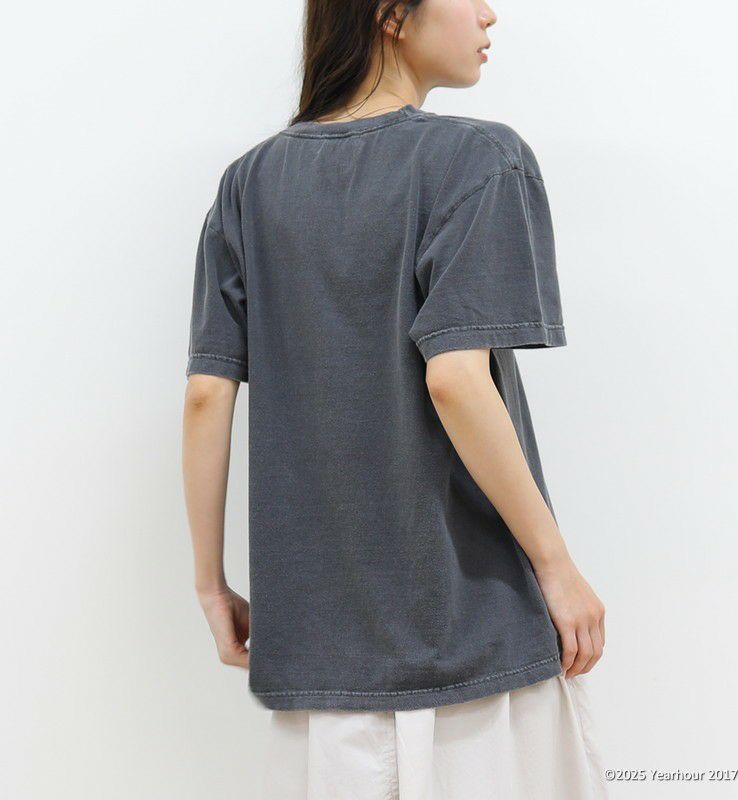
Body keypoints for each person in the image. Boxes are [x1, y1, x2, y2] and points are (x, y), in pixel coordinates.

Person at [182, 0, 608, 797]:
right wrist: (556, 570)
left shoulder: (249, 182)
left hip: (316, 668)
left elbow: (208, 392)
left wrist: (212, 586)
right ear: (390, 15)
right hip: (472, 642)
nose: (488, 15)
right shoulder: (477, 159)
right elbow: (456, 379)